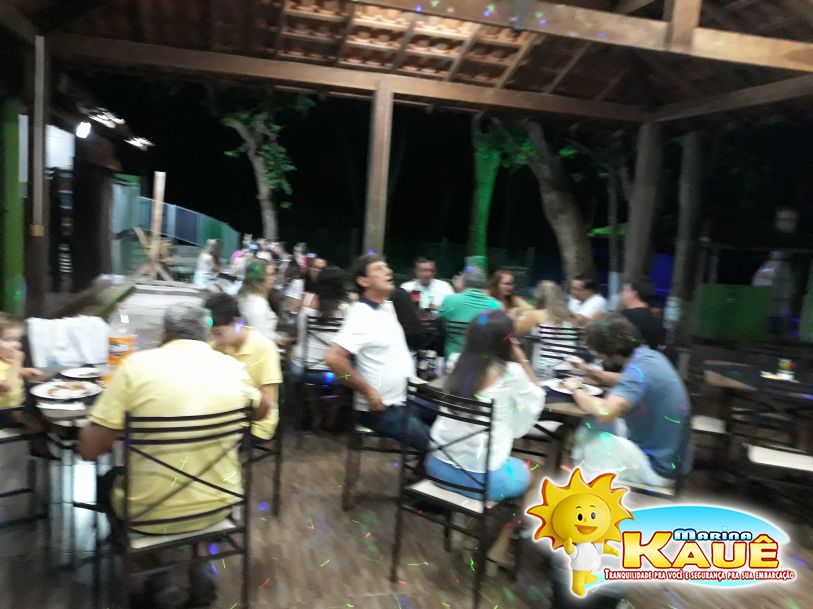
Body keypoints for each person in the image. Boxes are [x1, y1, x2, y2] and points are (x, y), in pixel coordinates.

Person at [78, 303, 263, 608]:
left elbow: (89, 450)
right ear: (206, 335)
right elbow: (262, 410)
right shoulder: (233, 368)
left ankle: (158, 578)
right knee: (198, 475)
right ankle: (200, 565)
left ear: (164, 335)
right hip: (221, 505)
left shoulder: (135, 367)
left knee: (108, 481)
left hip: (149, 516)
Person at [427, 309, 545, 564]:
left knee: (499, 465)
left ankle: (472, 535)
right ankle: (499, 547)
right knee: (537, 473)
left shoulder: (456, 364)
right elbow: (536, 397)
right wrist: (522, 357)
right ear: (508, 341)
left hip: (436, 466)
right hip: (480, 479)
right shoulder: (511, 373)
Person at [565, 314, 692, 488]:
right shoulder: (650, 357)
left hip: (656, 468)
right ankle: (583, 477)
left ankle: (589, 491)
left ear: (609, 353)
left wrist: (576, 390)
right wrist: (587, 371)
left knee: (593, 444)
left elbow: (605, 412)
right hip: (669, 456)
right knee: (589, 426)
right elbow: (624, 380)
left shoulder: (637, 372)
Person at [324, 254, 432, 450]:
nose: (388, 271)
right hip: (381, 409)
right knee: (439, 446)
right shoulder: (361, 315)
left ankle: (426, 464)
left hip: (409, 398)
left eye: (387, 267)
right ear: (363, 281)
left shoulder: (386, 307)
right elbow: (333, 360)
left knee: (454, 423)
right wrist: (366, 391)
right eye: (379, 269)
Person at [206, 294, 283, 444]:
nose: (215, 340)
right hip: (223, 417)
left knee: (205, 443)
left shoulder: (264, 347)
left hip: (255, 424)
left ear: (237, 323)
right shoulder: (215, 346)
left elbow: (268, 402)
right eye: (211, 334)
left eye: (218, 333)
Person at [0, 316, 51, 457]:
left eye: (17, 340)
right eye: (8, 340)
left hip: (15, 405)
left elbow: (10, 372)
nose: (16, 345)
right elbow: (6, 386)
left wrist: (25, 371)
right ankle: (38, 449)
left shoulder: (5, 359)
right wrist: (17, 364)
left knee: (42, 405)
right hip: (4, 411)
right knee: (37, 423)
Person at [291, 266, 350, 378]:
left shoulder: (306, 299)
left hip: (301, 368)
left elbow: (297, 327)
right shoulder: (345, 310)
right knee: (349, 375)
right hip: (335, 372)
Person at [515, 281, 578, 378]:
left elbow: (512, 331)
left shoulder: (536, 315)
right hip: (570, 368)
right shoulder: (570, 316)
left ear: (539, 297)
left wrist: (517, 312)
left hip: (546, 370)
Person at [438, 266, 502, 357]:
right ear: (485, 284)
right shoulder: (495, 305)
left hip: (454, 359)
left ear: (463, 282)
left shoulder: (450, 300)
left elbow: (440, 326)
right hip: (484, 361)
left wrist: (458, 291)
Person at [619, 277, 665, 349]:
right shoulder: (655, 318)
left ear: (634, 293)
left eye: (625, 290)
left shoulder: (624, 317)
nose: (621, 293)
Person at [238, 259, 278, 341]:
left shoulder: (249, 297)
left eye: (273, 274)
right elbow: (261, 338)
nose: (274, 278)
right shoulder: (257, 305)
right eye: (270, 275)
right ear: (258, 278)